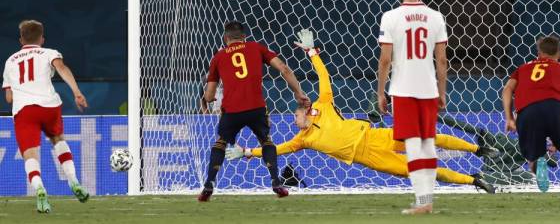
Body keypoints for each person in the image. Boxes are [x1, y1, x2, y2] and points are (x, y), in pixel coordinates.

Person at [226, 29, 497, 193]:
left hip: (374, 137)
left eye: (294, 116)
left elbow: (324, 78)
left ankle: (478, 150)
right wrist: (248, 152)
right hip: (369, 158)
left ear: (305, 111)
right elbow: (277, 149)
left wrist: (311, 52)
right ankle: (475, 180)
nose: (293, 122)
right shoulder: (303, 141)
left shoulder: (323, 106)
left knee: (426, 138)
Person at [198, 21, 310, 201]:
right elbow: (284, 68)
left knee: (221, 143)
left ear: (226, 38)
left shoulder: (218, 57)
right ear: (244, 36)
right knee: (266, 141)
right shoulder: (256, 47)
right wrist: (298, 93)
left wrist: (210, 97)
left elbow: (210, 94)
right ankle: (276, 181)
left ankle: (209, 184)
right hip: (256, 108)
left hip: (232, 110)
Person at [377, 0, 447, 214]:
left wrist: (380, 92)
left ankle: (422, 201)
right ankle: (427, 200)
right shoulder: (436, 17)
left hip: (403, 88)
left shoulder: (390, 17)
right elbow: (441, 60)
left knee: (414, 144)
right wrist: (442, 91)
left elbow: (385, 59)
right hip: (428, 88)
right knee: (428, 143)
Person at [2, 20, 89, 213]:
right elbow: (62, 68)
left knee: (30, 155)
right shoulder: (49, 52)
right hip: (49, 106)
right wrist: (76, 92)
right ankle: (74, 181)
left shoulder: (10, 61)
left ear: (20, 39)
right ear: (42, 38)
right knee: (58, 140)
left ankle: (40, 189)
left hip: (25, 110)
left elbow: (9, 97)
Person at [502, 36, 560, 211]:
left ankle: (539, 160)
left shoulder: (523, 68)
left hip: (527, 112)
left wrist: (509, 118)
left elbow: (507, 89)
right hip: (554, 108)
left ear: (539, 53)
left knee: (532, 157)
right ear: (559, 53)